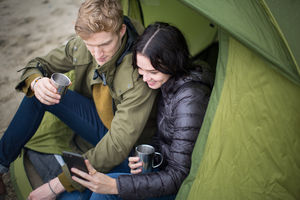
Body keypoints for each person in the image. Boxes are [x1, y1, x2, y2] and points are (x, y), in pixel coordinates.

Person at [0, 0, 158, 199]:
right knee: (39, 94)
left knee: (76, 194)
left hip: (130, 150)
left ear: (121, 31)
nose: (98, 54)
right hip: (100, 122)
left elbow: (117, 146)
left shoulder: (139, 73)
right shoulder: (83, 45)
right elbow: (38, 63)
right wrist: (37, 82)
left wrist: (58, 183)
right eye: (91, 45)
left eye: (105, 44)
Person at [70, 22, 214, 200]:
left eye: (152, 71)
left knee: (103, 192)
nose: (145, 79)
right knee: (92, 181)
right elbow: (167, 137)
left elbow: (179, 175)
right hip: (160, 169)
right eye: (140, 70)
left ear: (173, 63)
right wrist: (150, 155)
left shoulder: (189, 99)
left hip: (181, 187)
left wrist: (117, 186)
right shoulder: (167, 82)